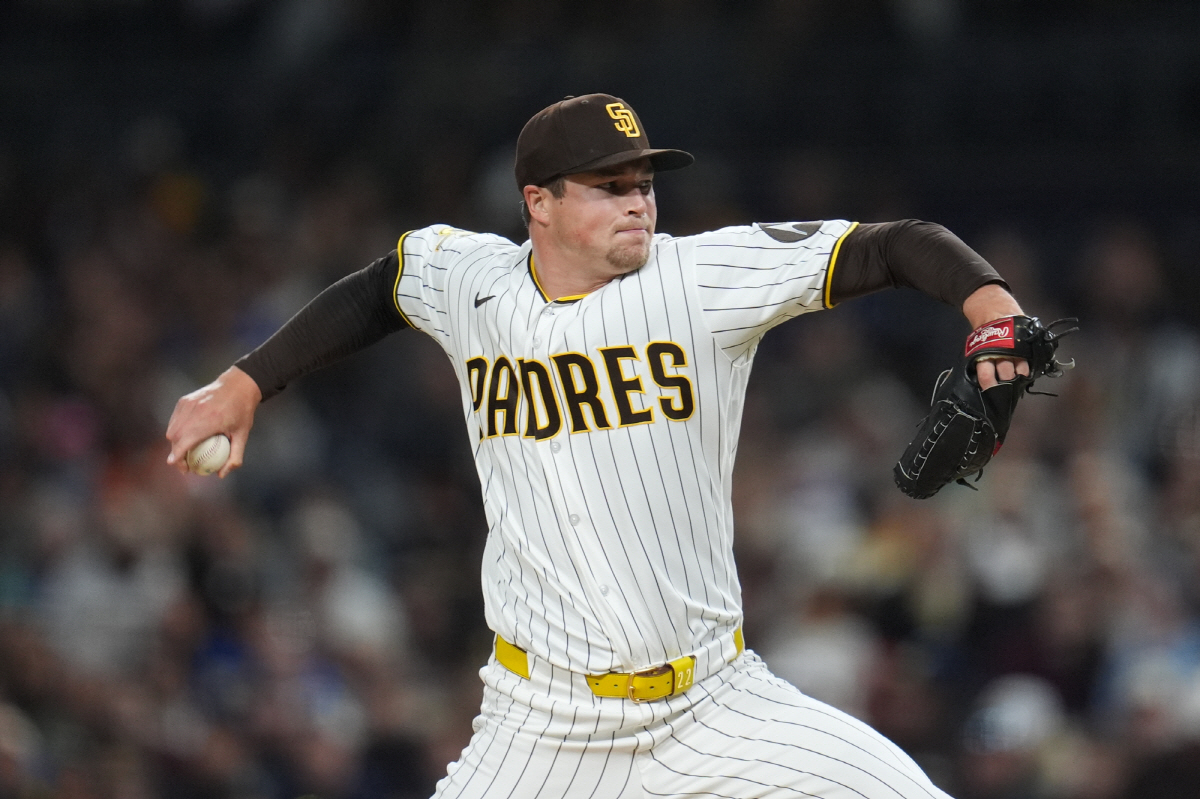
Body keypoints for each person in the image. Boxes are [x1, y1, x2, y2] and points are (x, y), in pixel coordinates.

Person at [166, 93, 1030, 798]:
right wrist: (245, 384)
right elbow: (383, 286)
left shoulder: (701, 279)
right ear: (538, 203)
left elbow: (892, 245)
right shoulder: (473, 282)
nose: (638, 201)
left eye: (644, 183)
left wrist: (991, 309)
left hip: (713, 705)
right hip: (540, 726)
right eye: (608, 185)